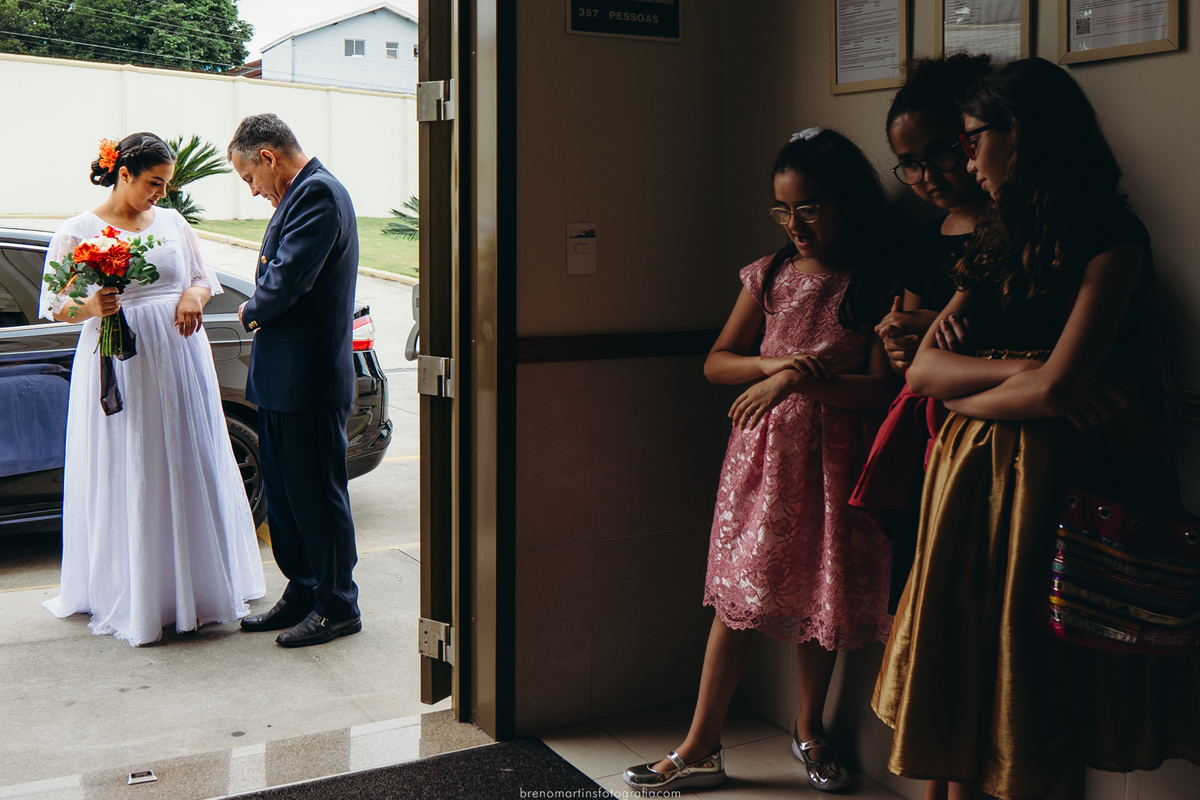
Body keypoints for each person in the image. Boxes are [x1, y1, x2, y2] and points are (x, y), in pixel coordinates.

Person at [873, 57, 1200, 800]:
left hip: (1059, 483)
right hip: (970, 482)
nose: (964, 159)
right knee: (964, 664)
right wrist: (1016, 372)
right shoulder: (995, 237)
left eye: (971, 138)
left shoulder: (1113, 236)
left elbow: (1058, 390)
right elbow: (926, 374)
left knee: (1036, 678)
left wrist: (1010, 383)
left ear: (1020, 134)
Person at [623, 128, 898, 794]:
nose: (795, 223)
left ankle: (810, 730)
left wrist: (805, 382)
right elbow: (718, 362)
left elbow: (882, 389)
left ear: (847, 203)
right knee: (738, 598)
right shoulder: (768, 275)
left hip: (836, 460)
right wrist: (775, 365)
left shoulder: (874, 284)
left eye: (809, 207)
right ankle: (700, 744)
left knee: (819, 597)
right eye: (783, 209)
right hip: (763, 460)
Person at [40, 132, 265, 646]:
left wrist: (191, 295)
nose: (160, 194)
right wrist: (92, 307)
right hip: (122, 362)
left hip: (181, 358)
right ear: (123, 174)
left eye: (166, 184)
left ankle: (203, 587)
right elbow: (56, 304)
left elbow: (203, 278)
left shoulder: (172, 222)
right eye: (153, 183)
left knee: (191, 459)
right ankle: (143, 594)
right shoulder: (77, 231)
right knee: (134, 463)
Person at [851, 53, 993, 616]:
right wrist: (899, 340)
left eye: (939, 152)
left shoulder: (1011, 230)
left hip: (990, 429)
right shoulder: (920, 241)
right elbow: (901, 360)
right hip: (929, 434)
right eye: (909, 164)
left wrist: (926, 333)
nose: (927, 175)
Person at [228, 113, 362, 648]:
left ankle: (338, 606)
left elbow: (288, 279)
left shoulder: (319, 195)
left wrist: (248, 312)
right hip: (283, 380)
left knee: (317, 498)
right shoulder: (300, 193)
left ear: (268, 157)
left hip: (309, 381)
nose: (254, 191)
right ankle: (304, 590)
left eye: (249, 179)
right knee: (285, 498)